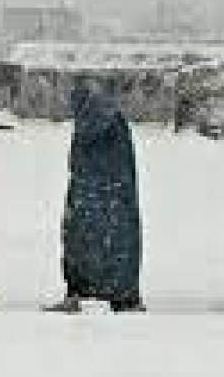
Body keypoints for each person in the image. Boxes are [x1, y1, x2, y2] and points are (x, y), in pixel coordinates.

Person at [46, 78, 145, 313]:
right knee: (102, 247)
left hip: (100, 198)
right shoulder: (108, 122)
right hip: (107, 199)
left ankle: (94, 293)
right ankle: (116, 295)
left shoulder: (104, 124)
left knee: (88, 246)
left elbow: (91, 163)